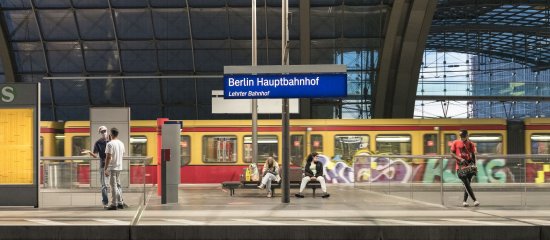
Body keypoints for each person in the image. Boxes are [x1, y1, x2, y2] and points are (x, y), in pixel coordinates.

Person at [450, 129, 480, 207]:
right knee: (466, 183)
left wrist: (474, 165)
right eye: (461, 136)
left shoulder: (470, 144)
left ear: (467, 135)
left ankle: (464, 201)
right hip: (459, 167)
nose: (462, 138)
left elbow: (473, 155)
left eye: (463, 136)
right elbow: (451, 153)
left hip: (468, 166)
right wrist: (460, 159)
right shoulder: (455, 143)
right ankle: (475, 200)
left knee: (468, 184)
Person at [82, 126, 110, 209]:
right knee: (104, 185)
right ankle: (105, 203)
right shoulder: (98, 142)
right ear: (100, 133)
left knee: (116, 184)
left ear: (107, 131)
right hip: (103, 165)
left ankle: (119, 202)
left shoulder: (112, 140)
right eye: (102, 132)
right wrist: (90, 152)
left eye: (104, 131)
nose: (103, 133)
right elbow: (95, 155)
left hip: (112, 165)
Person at [104, 128, 126, 210]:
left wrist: (105, 168)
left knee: (113, 186)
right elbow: (122, 154)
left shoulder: (109, 144)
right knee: (116, 185)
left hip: (113, 167)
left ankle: (114, 204)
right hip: (119, 167)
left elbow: (108, 157)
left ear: (111, 134)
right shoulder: (121, 143)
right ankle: (120, 203)